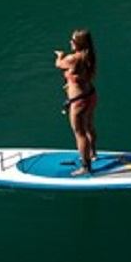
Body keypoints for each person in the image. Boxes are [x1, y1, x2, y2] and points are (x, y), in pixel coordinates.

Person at [54, 28, 98, 175]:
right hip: (90, 95)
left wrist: (60, 55)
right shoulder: (89, 56)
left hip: (79, 101)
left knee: (79, 133)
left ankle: (86, 166)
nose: (70, 42)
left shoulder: (73, 59)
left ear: (78, 43)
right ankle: (93, 153)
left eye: (72, 40)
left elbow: (59, 64)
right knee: (89, 126)